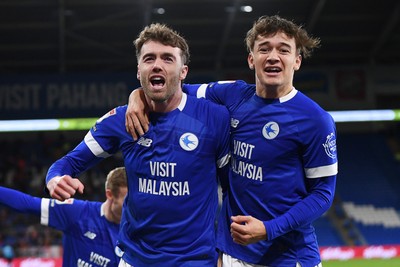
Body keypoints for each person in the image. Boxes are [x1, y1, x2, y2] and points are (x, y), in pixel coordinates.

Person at [126, 15, 338, 267]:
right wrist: (137, 95)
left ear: (297, 61)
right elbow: (172, 88)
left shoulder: (315, 119)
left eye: (283, 50)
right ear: (251, 59)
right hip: (234, 253)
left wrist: (268, 229)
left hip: (289, 256)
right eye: (264, 49)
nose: (273, 56)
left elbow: (323, 194)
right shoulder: (231, 94)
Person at [46, 23, 231, 267]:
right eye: (149, 58)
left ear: (183, 71)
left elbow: (231, 189)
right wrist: (55, 178)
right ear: (138, 70)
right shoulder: (120, 120)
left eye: (167, 58)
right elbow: (68, 163)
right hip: (135, 260)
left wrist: (224, 250)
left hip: (195, 261)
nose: (157, 64)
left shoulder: (214, 118)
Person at [0, 166, 128, 267]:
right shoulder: (77, 212)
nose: (134, 207)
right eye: (128, 201)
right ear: (110, 195)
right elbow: (28, 204)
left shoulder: (137, 233)